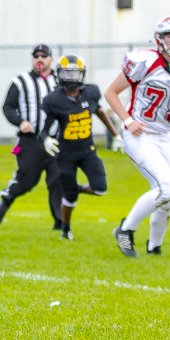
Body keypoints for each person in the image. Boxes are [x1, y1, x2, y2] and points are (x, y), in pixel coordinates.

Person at [104, 16, 170, 257]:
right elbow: (111, 93)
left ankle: (154, 247)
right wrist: (127, 122)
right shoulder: (144, 61)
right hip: (140, 134)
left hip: (165, 135)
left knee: (169, 196)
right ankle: (125, 230)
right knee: (165, 188)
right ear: (159, 39)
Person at [38, 55, 120, 241]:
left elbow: (99, 111)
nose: (71, 78)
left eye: (75, 73)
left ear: (82, 74)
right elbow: (44, 128)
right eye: (67, 73)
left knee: (100, 188)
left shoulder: (91, 92)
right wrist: (45, 139)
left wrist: (116, 135)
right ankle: (66, 229)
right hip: (65, 154)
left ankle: (76, 189)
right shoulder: (54, 99)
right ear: (59, 75)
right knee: (70, 199)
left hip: (87, 151)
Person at [0, 44, 63, 230]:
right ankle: (5, 201)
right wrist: (20, 121)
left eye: (44, 56)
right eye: (36, 56)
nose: (39, 59)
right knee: (27, 180)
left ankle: (60, 222)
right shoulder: (21, 81)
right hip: (30, 140)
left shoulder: (60, 81)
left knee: (58, 180)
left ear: (51, 59)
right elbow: (8, 106)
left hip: (56, 140)